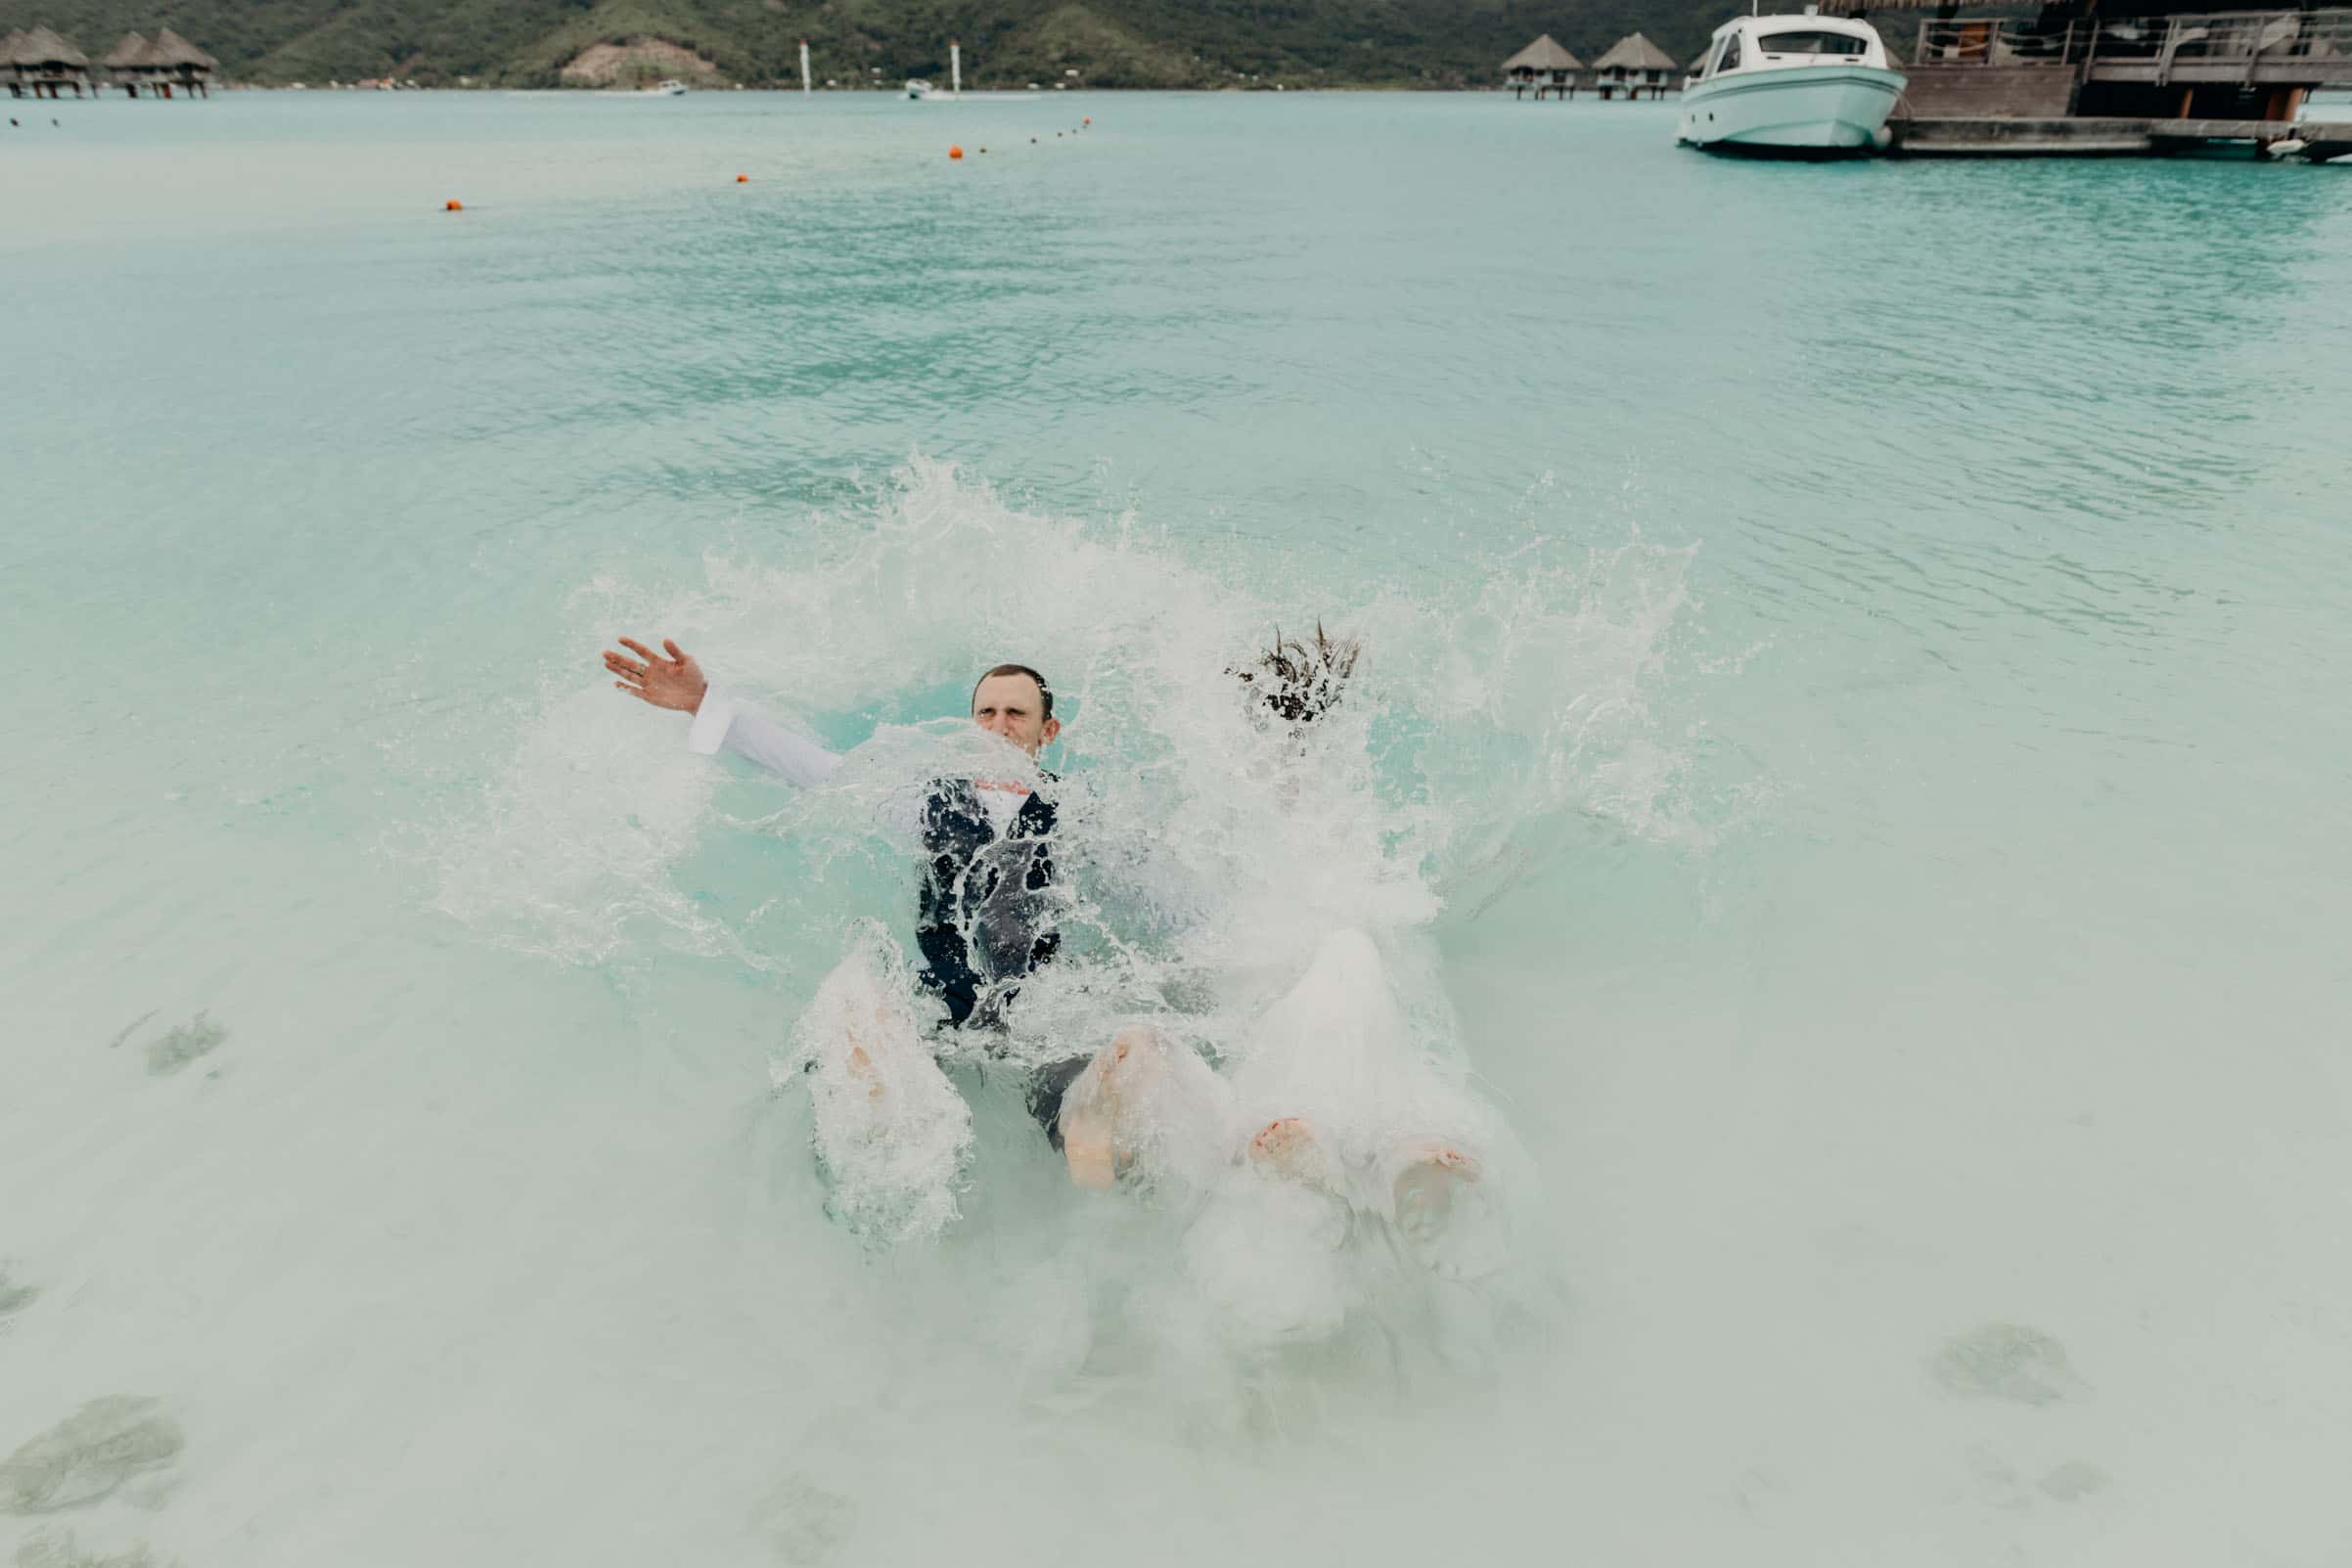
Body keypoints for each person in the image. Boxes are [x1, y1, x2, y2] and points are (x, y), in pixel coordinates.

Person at [601, 636, 1162, 1194]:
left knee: (1093, 1103)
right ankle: (897, 1164)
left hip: (1038, 1007)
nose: (999, 725)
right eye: (986, 712)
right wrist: (704, 701)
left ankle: (1102, 1184)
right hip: (945, 998)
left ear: (1048, 731)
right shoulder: (927, 804)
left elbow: (1154, 897)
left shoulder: (1078, 819)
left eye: (1016, 713)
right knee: (856, 1012)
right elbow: (816, 770)